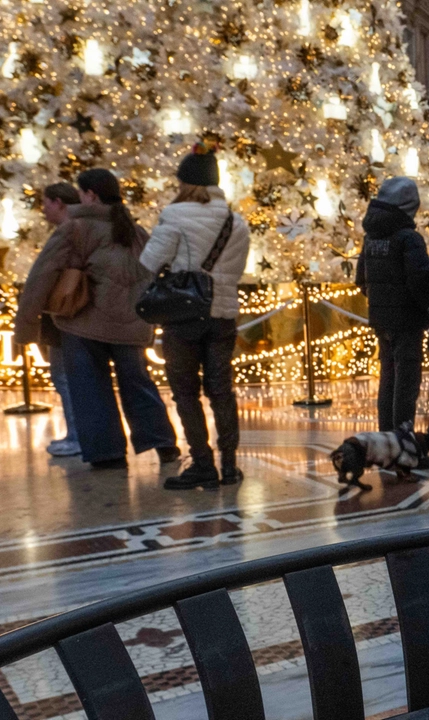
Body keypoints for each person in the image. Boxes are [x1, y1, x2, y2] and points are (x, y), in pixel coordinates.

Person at [14, 169, 179, 470]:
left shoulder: (75, 228)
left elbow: (42, 275)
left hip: (84, 324)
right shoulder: (135, 231)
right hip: (131, 323)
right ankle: (163, 443)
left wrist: (25, 326)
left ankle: (107, 454)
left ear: (90, 195)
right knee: (138, 382)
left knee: (90, 390)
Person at [139, 142, 251, 489]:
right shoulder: (238, 222)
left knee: (186, 392)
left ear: (185, 182)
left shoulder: (174, 216)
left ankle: (203, 464)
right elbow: (235, 270)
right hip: (222, 317)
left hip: (183, 319)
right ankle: (230, 466)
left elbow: (148, 262)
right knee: (222, 391)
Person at [355, 177, 429, 434]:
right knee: (407, 382)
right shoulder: (409, 238)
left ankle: (386, 438)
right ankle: (403, 442)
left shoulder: (370, 237)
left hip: (381, 320)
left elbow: (361, 280)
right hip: (408, 322)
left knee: (387, 377)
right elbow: (420, 282)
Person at [36, 183, 82, 458]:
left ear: (59, 203)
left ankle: (77, 436)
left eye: (46, 203)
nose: (43, 209)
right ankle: (76, 434)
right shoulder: (75, 230)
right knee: (66, 377)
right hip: (65, 312)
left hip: (64, 312)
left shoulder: (69, 233)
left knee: (65, 377)